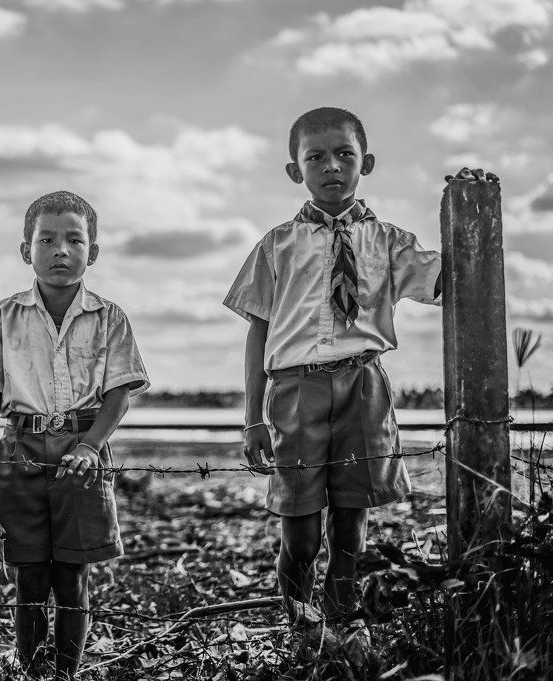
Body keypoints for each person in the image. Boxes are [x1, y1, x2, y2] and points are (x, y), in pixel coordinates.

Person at [224, 107, 496, 639]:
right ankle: (305, 631)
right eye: (316, 157)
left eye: (344, 154)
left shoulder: (390, 241)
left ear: (365, 162)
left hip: (364, 387)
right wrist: (253, 418)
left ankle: (344, 628)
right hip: (295, 390)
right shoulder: (276, 244)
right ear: (294, 170)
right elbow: (256, 332)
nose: (332, 167)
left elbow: (450, 279)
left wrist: (473, 206)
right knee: (300, 531)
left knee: (352, 524)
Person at [0, 191, 149, 679]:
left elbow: (119, 394)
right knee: (28, 573)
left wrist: (90, 446)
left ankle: (67, 670)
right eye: (46, 239)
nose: (60, 250)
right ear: (27, 250)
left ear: (93, 251)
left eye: (74, 240)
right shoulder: (5, 316)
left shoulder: (110, 317)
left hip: (82, 452)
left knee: (72, 575)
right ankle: (28, 667)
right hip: (18, 449)